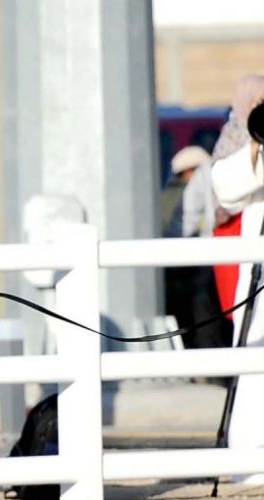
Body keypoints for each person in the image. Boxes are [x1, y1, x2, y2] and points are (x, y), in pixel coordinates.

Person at [210, 75, 264, 484]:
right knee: (253, 366)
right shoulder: (242, 141)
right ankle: (250, 467)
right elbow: (224, 188)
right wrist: (256, 143)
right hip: (258, 285)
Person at [162, 146, 232, 352]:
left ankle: (214, 361)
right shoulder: (211, 169)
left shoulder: (207, 171)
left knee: (207, 304)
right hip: (225, 248)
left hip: (214, 251)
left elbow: (186, 221)